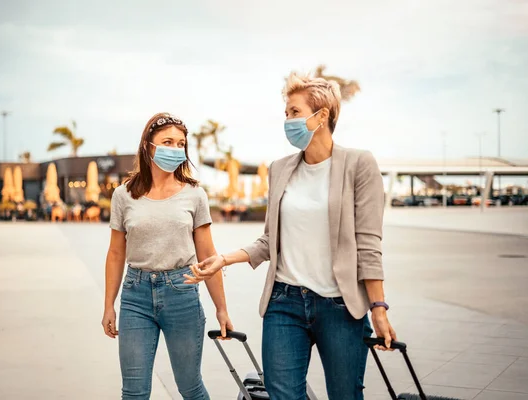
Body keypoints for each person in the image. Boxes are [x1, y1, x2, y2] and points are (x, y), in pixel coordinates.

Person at [186, 72, 397, 400]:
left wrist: (379, 308)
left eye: (294, 112)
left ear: (322, 115)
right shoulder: (280, 168)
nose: (287, 120)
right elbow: (271, 240)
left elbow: (368, 242)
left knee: (345, 395)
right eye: (286, 113)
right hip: (284, 302)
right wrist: (224, 258)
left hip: (340, 306)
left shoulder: (359, 164)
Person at [102, 112, 233, 400]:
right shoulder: (123, 195)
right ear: (148, 145)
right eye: (167, 142)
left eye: (180, 144)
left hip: (182, 292)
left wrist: (221, 308)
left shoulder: (195, 194)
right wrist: (109, 305)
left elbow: (208, 255)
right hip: (135, 295)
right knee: (134, 392)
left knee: (190, 386)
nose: (175, 149)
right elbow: (115, 253)